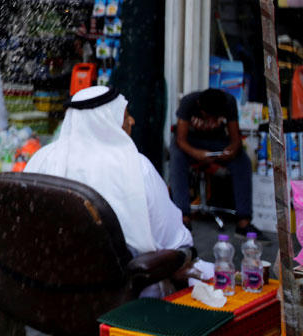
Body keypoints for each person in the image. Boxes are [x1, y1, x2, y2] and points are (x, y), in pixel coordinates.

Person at [25, 86, 193, 265]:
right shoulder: (136, 166)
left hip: (49, 273)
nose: (132, 121)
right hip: (120, 283)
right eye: (126, 115)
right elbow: (172, 239)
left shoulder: (42, 157)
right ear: (108, 121)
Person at [170, 88, 264, 239]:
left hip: (217, 142)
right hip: (191, 141)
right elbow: (181, 139)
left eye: (216, 117)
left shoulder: (229, 102)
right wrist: (197, 154)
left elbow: (235, 139)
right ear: (200, 107)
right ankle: (183, 218)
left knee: (242, 161)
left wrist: (231, 151)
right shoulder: (189, 102)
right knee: (176, 157)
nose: (212, 121)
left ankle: (243, 222)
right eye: (209, 116)